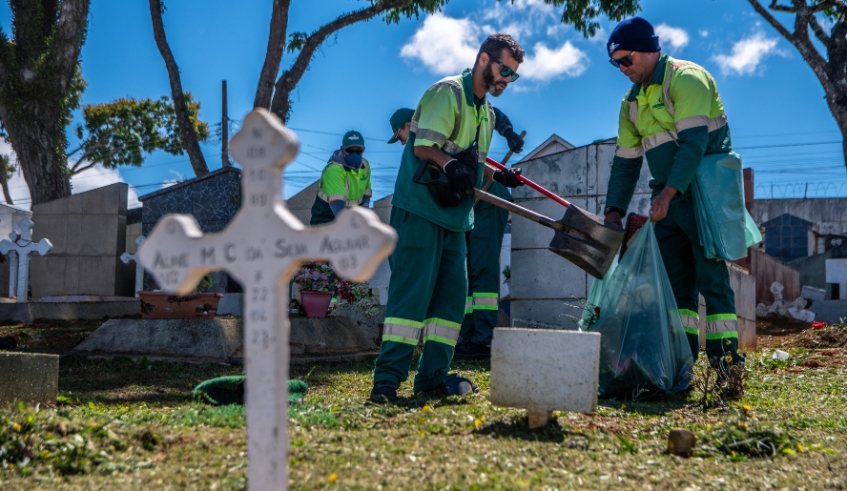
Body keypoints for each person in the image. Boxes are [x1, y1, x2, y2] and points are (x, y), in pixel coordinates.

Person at [370, 34, 525, 403]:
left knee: (450, 304)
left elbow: (478, 168)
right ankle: (387, 382)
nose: (507, 79)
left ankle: (432, 378)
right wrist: (449, 162)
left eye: (513, 75)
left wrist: (499, 176)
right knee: (411, 299)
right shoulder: (448, 93)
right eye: (504, 70)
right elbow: (423, 145)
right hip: (421, 211)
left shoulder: (485, 112)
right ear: (484, 60)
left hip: (457, 220)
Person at [603, 17, 743, 372]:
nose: (621, 69)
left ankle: (726, 364)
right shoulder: (631, 103)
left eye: (626, 59)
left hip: (703, 195)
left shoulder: (686, 78)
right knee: (676, 286)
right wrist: (613, 210)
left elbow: (694, 145)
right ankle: (682, 363)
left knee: (711, 278)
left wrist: (667, 193)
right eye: (615, 63)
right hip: (667, 203)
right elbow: (625, 162)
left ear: (649, 51)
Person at [454, 107, 524, 360]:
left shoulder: (457, 114)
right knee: (467, 270)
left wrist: (509, 134)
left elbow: (494, 114)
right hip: (468, 199)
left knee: (482, 267)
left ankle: (483, 340)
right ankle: (470, 335)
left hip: (488, 197)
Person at [309, 130, 372, 225]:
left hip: (349, 217)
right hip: (326, 220)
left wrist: (365, 217)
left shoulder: (365, 166)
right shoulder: (334, 170)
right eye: (350, 150)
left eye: (358, 151)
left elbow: (366, 194)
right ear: (342, 149)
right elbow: (338, 206)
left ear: (363, 150)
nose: (354, 154)